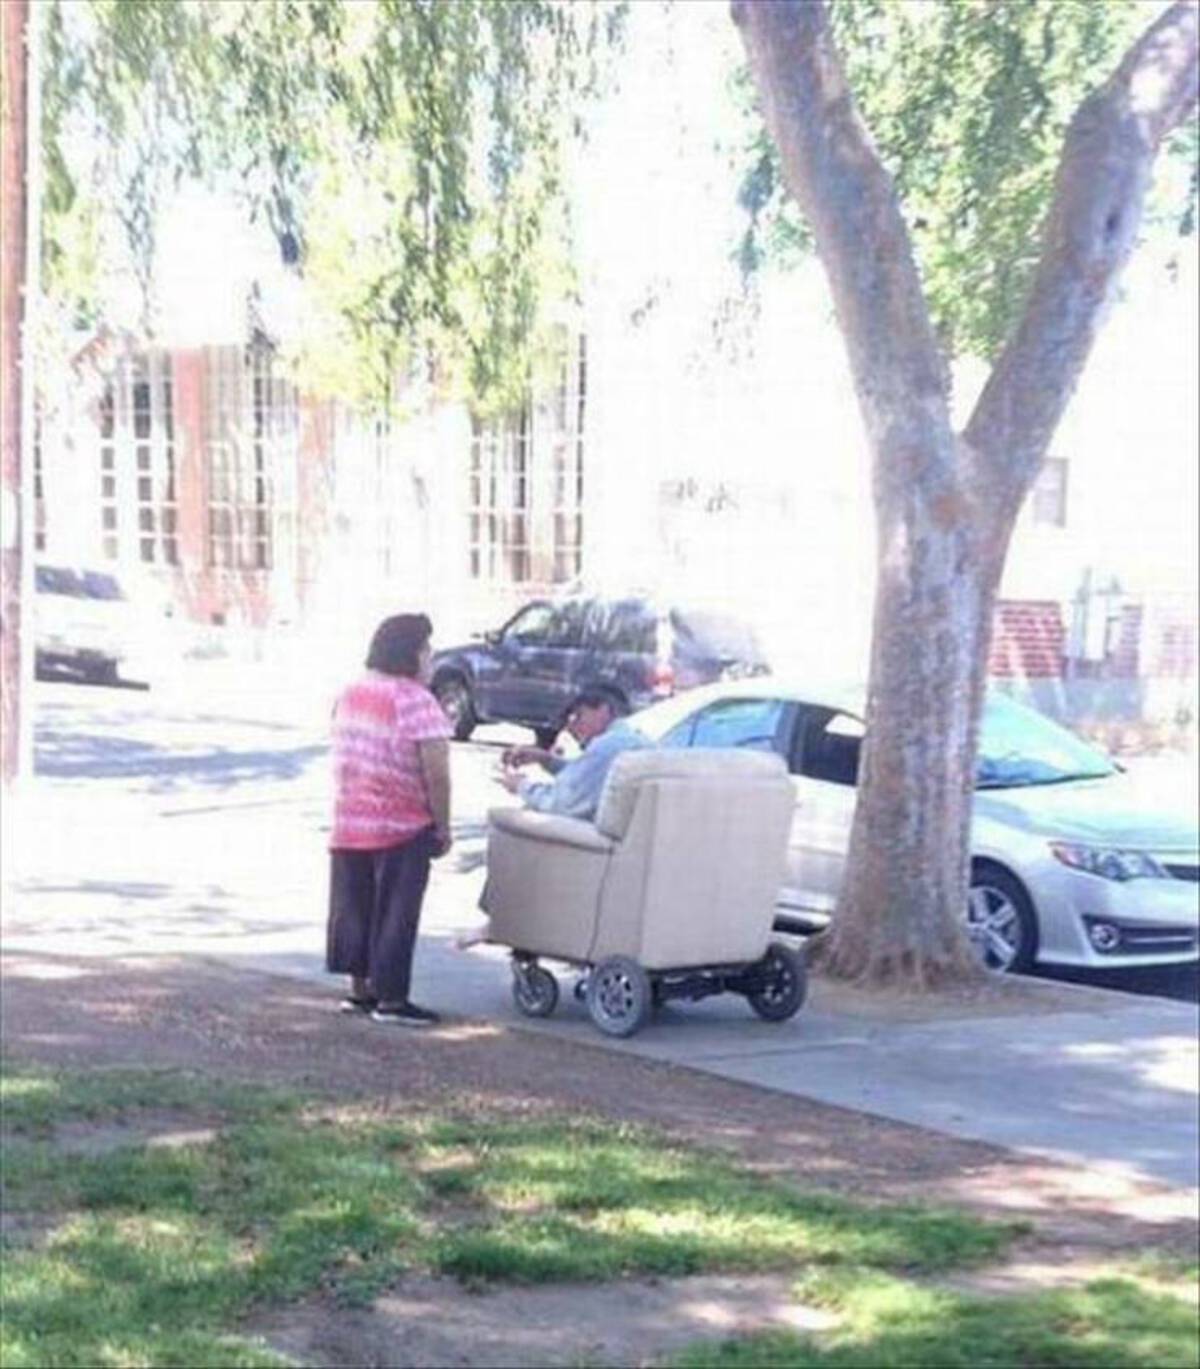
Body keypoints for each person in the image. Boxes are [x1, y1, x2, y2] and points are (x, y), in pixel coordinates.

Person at [326, 613, 452, 1026]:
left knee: (355, 908)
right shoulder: (415, 699)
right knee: (396, 912)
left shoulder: (350, 692)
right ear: (411, 653)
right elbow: (435, 768)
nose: (430, 657)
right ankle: (393, 998)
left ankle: (359, 991)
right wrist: (442, 823)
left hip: (349, 819)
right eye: (426, 649)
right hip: (400, 822)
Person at [496, 687, 651, 820]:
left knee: (514, 817)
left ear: (604, 710)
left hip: (601, 847)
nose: (570, 727)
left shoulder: (608, 745)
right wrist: (547, 760)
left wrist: (521, 786)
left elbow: (560, 803)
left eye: (578, 716)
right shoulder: (630, 739)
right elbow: (592, 777)